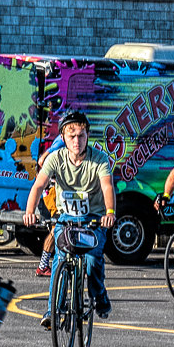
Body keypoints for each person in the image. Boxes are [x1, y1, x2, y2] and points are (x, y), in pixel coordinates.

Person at [23, 110, 117, 323]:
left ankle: (99, 297)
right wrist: (30, 212)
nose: (77, 141)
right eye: (71, 136)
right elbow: (39, 185)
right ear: (63, 137)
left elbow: (107, 186)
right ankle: (52, 312)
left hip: (93, 219)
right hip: (66, 219)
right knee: (59, 259)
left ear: (87, 136)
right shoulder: (56, 159)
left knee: (93, 261)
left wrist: (109, 213)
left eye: (81, 135)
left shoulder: (99, 159)